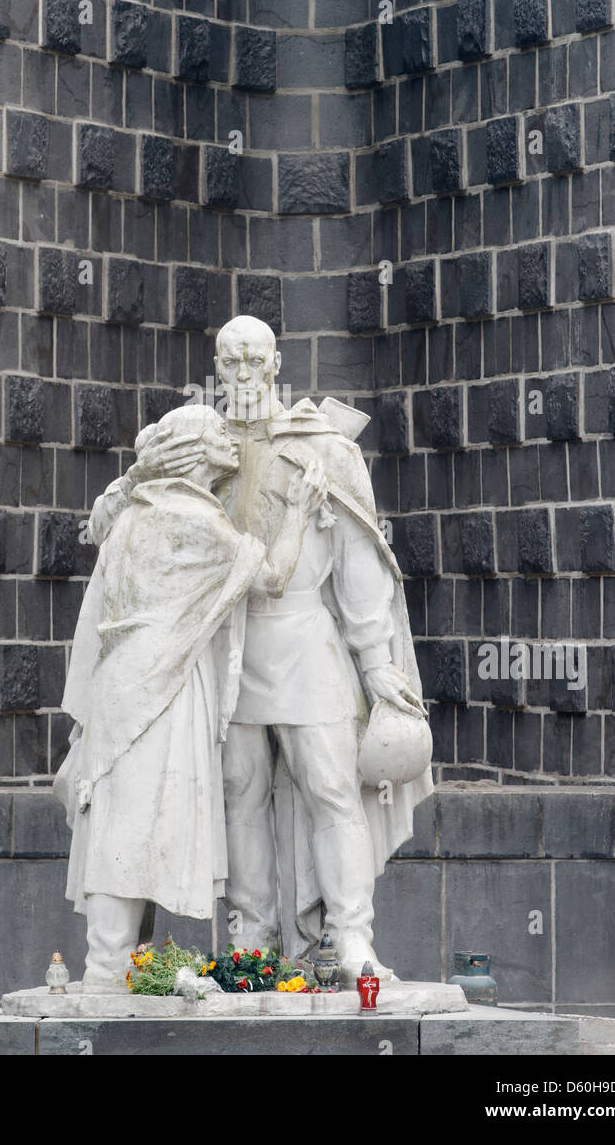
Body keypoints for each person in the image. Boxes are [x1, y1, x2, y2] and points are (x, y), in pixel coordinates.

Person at [88, 317, 432, 986]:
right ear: (219, 368)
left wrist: (375, 658)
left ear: (276, 366)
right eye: (232, 364)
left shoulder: (321, 446)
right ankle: (253, 938)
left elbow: (360, 560)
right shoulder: (202, 445)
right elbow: (137, 511)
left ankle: (352, 934)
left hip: (305, 637)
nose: (244, 377)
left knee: (331, 788)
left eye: (255, 363)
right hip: (230, 642)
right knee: (239, 792)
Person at [55, 402, 327, 991]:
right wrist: (299, 511)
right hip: (165, 686)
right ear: (194, 451)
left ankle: (115, 960)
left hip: (124, 684)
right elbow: (273, 577)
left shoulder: (134, 514)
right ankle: (110, 967)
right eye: (218, 432)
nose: (230, 438)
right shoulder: (194, 521)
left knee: (123, 812)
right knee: (139, 817)